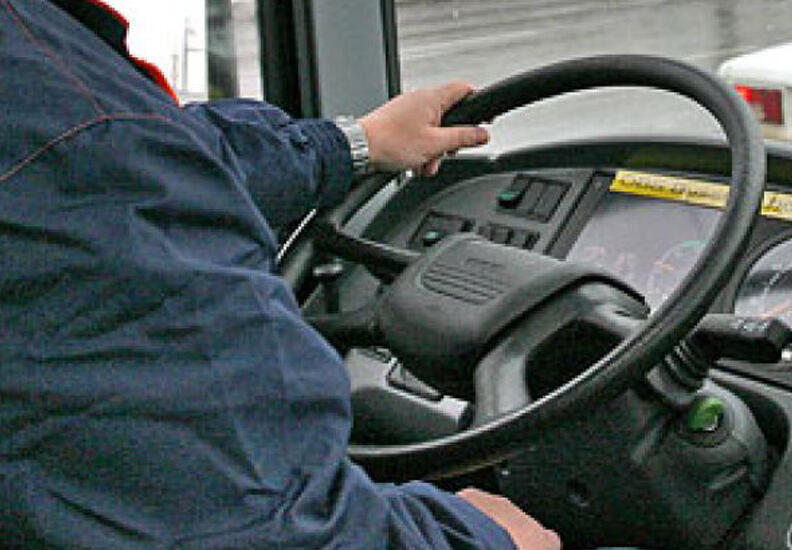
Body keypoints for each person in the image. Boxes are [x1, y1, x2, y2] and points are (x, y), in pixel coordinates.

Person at [0, 1, 644, 549]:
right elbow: (265, 527)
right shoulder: (83, 137)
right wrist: (485, 540)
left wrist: (355, 144)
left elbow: (161, 157)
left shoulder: (55, 92)